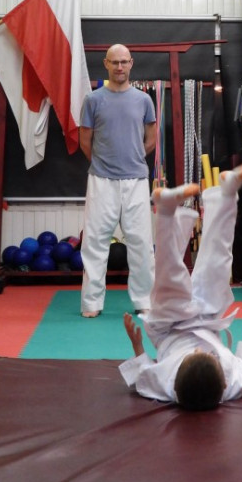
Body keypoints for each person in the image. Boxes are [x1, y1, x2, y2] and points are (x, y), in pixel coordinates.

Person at [120, 165, 242, 410]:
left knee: (169, 276)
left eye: (192, 354)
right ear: (224, 384)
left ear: (174, 384)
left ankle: (166, 211)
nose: (197, 349)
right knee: (218, 262)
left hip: (169, 328)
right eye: (210, 356)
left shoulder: (164, 384)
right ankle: (227, 194)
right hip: (208, 320)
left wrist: (136, 345)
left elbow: (142, 376)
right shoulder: (233, 383)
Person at [79, 44, 156, 318]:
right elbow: (85, 141)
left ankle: (144, 301)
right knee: (94, 243)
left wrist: (131, 159)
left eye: (124, 62)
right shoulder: (93, 100)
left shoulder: (144, 101)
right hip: (101, 180)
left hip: (136, 180)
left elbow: (151, 139)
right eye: (115, 62)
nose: (120, 67)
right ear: (106, 64)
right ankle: (91, 304)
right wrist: (104, 164)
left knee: (141, 244)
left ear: (131, 63)